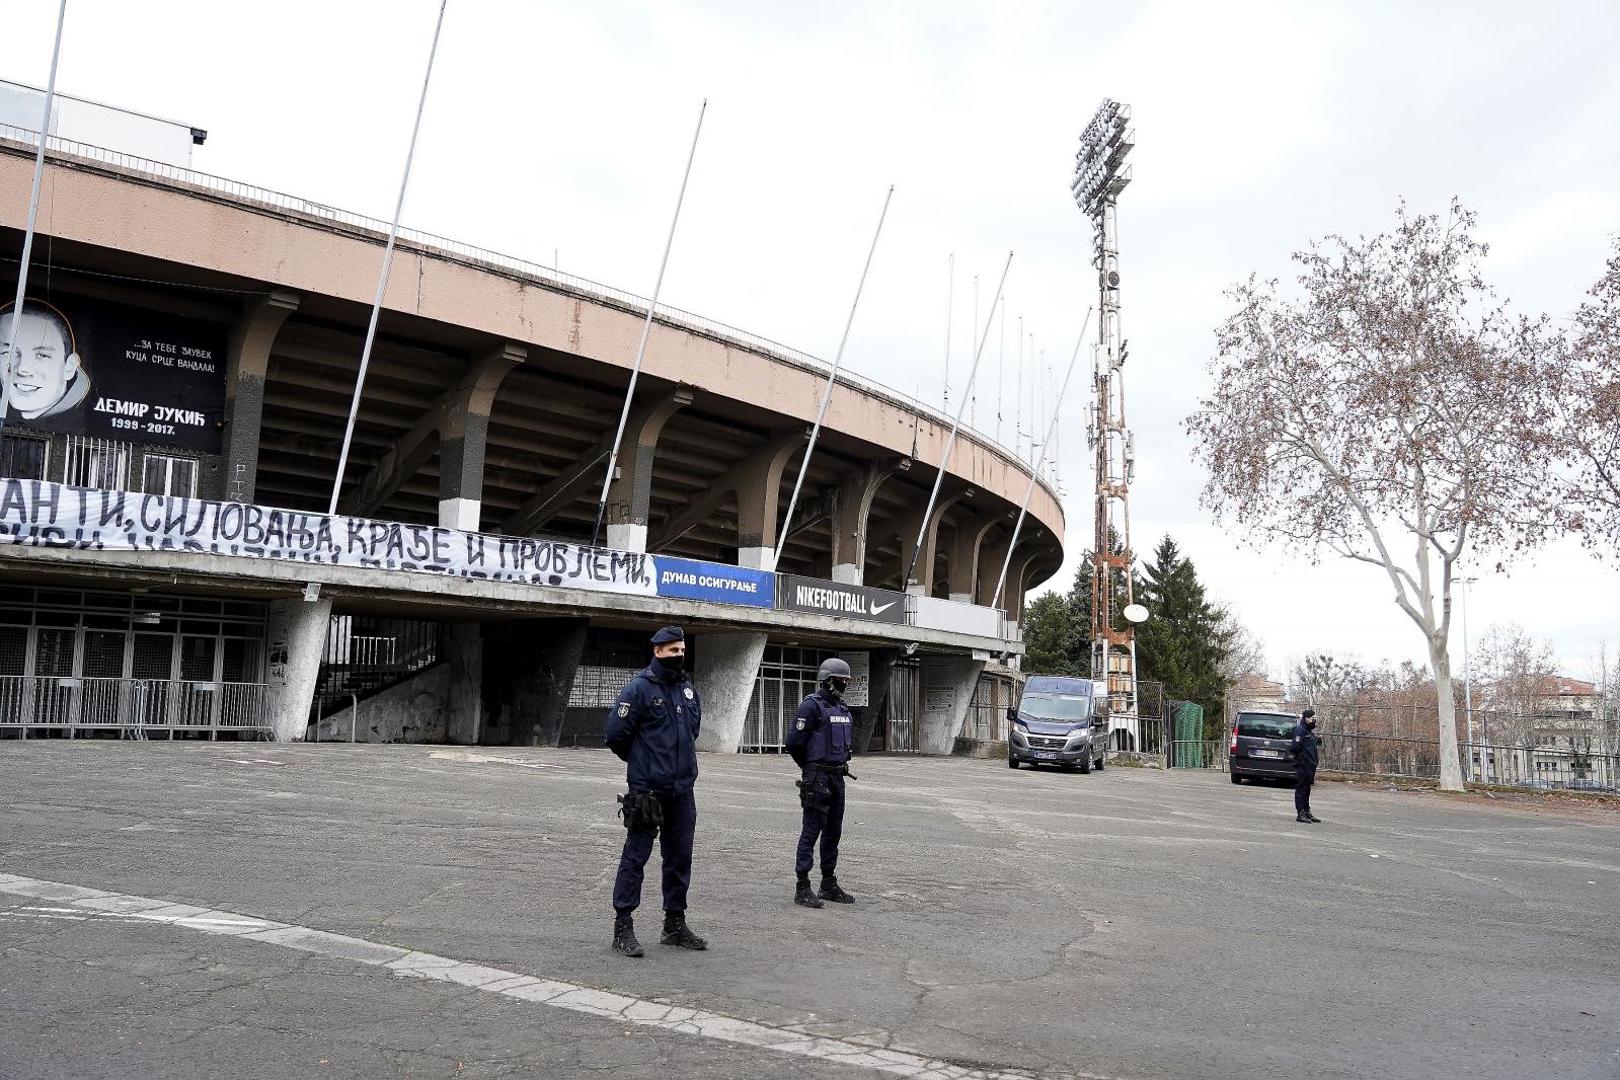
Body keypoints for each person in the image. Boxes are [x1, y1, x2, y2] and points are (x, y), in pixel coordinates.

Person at [603, 625, 708, 957]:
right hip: (647, 790)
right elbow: (616, 736)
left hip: (681, 790)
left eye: (681, 650)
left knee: (679, 858)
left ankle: (674, 925)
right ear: (657, 651)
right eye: (671, 650)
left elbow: (691, 731)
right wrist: (642, 763)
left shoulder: (688, 691)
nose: (678, 655)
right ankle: (623, 926)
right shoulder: (639, 689)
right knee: (636, 858)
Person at [785, 657, 858, 908]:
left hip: (838, 777)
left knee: (833, 833)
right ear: (827, 680)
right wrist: (809, 768)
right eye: (841, 680)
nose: (845, 684)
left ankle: (828, 884)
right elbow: (794, 743)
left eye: (847, 680)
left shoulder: (842, 708)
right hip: (817, 777)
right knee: (811, 831)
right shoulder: (811, 706)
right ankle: (802, 886)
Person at [1, 301, 89, 422]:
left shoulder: (84, 421)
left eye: (42, 355)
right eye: (9, 353)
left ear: (69, 367)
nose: (22, 369)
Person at [1292, 707, 1321, 823]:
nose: (1314, 720)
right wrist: (1302, 758)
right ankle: (1300, 813)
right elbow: (1294, 747)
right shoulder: (1301, 730)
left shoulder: (1310, 732)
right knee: (1301, 788)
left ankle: (1307, 811)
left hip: (1310, 766)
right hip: (1303, 765)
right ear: (1306, 719)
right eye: (1312, 718)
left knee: (1307, 789)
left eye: (1314, 717)